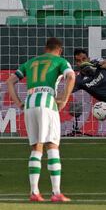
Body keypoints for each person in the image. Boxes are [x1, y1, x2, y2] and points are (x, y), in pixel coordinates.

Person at [6, 38, 75, 202]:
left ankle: (34, 192)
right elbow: (71, 77)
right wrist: (64, 100)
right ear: (59, 50)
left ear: (46, 48)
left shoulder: (30, 62)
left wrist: (18, 103)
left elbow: (10, 81)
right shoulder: (60, 61)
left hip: (30, 102)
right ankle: (56, 192)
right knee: (52, 145)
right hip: (47, 102)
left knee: (36, 147)